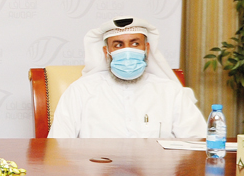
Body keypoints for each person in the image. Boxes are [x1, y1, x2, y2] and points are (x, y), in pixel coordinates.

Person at [49, 16, 206, 139]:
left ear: (147, 48)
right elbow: (58, 145)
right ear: (106, 51)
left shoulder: (171, 91)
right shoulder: (81, 90)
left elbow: (198, 141)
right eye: (118, 45)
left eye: (135, 43)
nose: (127, 51)